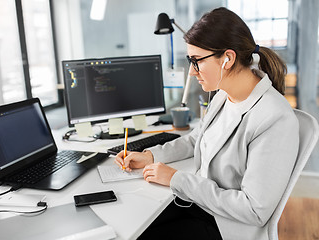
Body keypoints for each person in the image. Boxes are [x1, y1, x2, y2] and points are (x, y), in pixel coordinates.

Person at [115, 7, 299, 240]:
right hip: (200, 204)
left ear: (228, 59)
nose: (192, 72)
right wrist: (151, 156)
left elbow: (254, 209)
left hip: (226, 225)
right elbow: (196, 139)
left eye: (196, 61)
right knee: (129, 224)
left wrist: (177, 178)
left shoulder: (274, 118)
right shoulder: (223, 94)